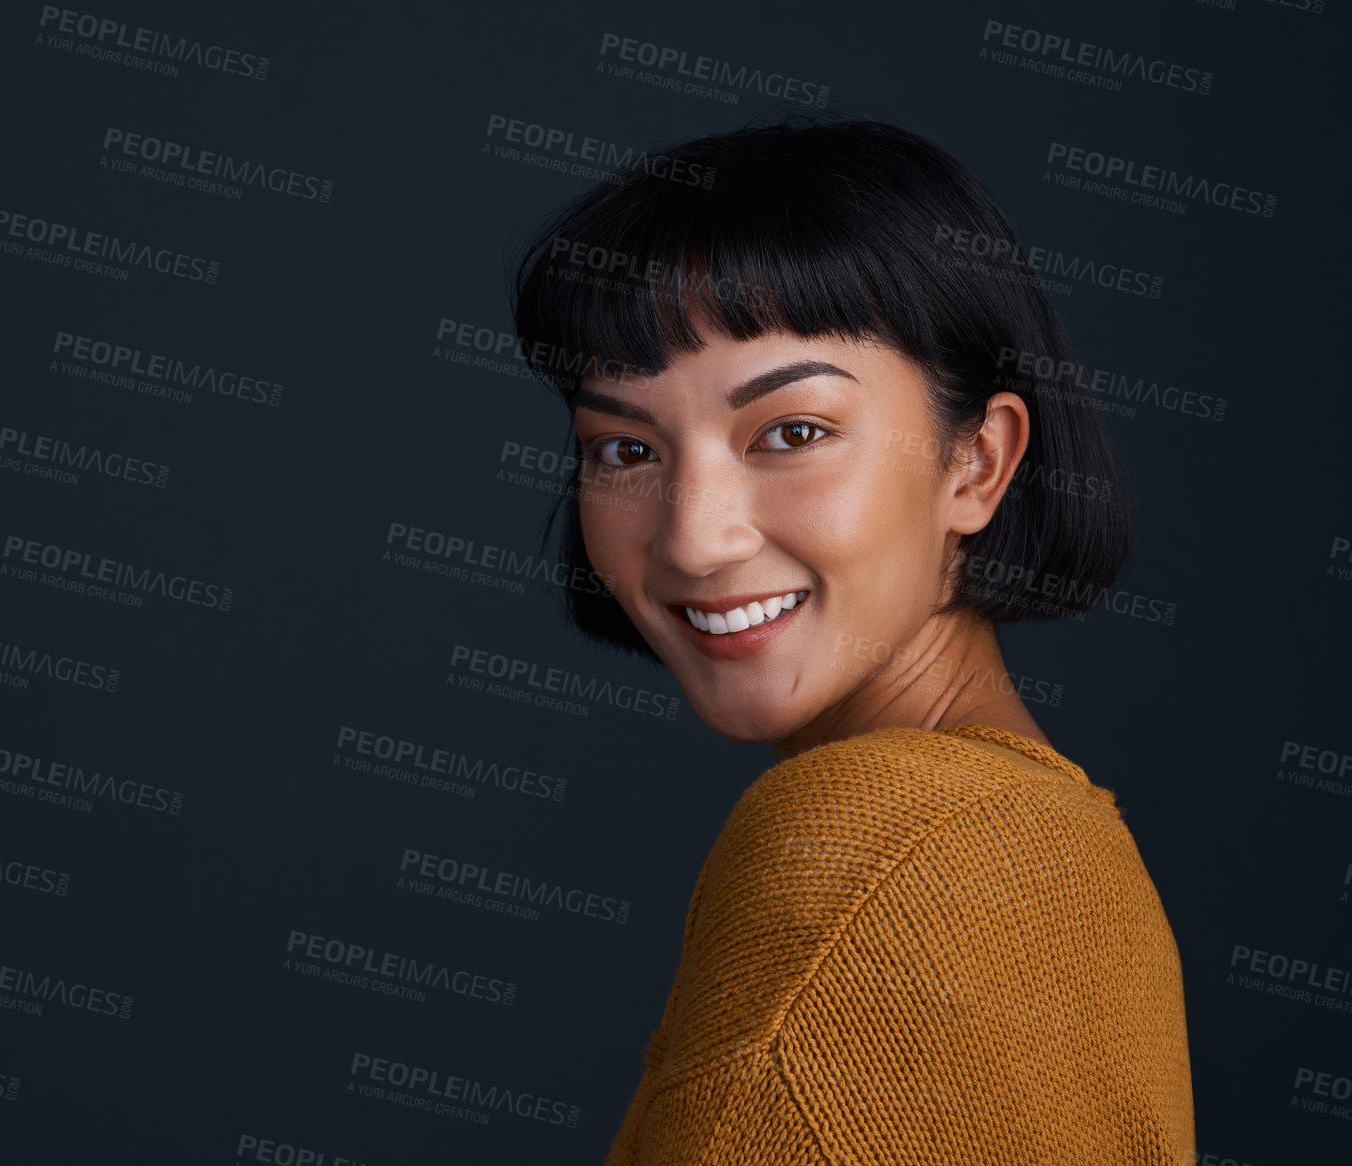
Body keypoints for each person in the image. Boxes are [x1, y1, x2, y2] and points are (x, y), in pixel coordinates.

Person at [509, 116, 1194, 1162]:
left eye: (791, 432)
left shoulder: (886, 837)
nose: (695, 535)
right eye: (625, 447)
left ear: (975, 462)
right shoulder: (1049, 852)